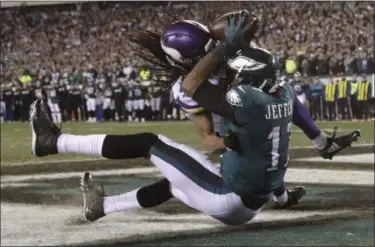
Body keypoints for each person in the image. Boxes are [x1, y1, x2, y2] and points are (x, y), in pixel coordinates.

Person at [30, 12, 360, 225]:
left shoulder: (223, 81)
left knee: (151, 144)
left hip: (234, 178)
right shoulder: (252, 87)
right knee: (177, 183)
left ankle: (54, 142)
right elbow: (207, 137)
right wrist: (227, 142)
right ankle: (101, 207)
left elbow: (244, 27)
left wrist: (221, 43)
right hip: (240, 160)